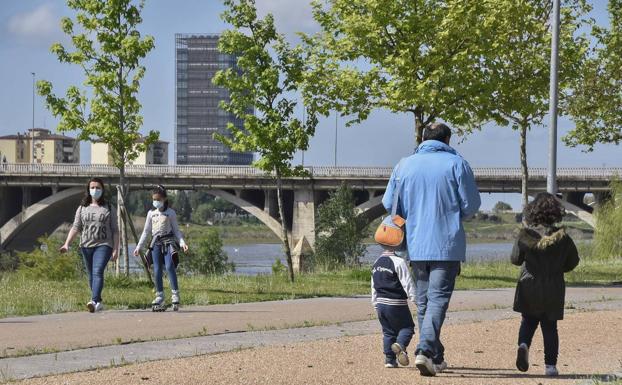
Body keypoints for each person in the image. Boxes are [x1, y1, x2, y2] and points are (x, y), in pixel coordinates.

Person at [382, 122, 481, 377]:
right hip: (446, 244)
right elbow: (471, 205)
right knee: (437, 299)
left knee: (425, 301)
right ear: (447, 140)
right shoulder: (457, 164)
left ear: (423, 139)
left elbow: (387, 203)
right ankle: (424, 349)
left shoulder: (403, 165)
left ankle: (435, 357)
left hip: (414, 244)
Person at [511, 192, 580, 377]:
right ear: (556, 212)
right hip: (553, 287)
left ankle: (523, 345)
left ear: (532, 211)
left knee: (528, 321)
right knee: (550, 327)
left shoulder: (525, 236)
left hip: (529, 287)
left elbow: (515, 260)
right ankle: (550, 366)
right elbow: (573, 262)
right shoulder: (563, 238)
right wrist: (558, 268)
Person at [60, 177, 119, 313]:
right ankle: (98, 302)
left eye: (98, 187)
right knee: (91, 275)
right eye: (92, 187)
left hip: (104, 245)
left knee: (98, 271)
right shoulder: (82, 208)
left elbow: (115, 230)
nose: (95, 190)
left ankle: (93, 300)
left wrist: (116, 249)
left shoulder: (109, 207)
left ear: (102, 190)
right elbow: (76, 227)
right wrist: (67, 244)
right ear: (88, 190)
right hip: (86, 245)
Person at [134, 185, 188, 311]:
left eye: (158, 199)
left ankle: (175, 294)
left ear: (164, 199)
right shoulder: (151, 214)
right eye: (154, 199)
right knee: (157, 269)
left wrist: (182, 243)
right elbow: (146, 231)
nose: (156, 202)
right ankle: (159, 295)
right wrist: (139, 247)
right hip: (155, 243)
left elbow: (176, 230)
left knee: (169, 266)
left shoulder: (170, 213)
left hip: (168, 242)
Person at [371, 245, 416, 368]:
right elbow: (407, 283)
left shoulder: (376, 262)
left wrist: (375, 303)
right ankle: (400, 345)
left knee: (388, 332)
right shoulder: (399, 261)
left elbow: (373, 286)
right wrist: (416, 300)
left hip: (380, 303)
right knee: (407, 327)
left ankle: (389, 360)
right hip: (396, 302)